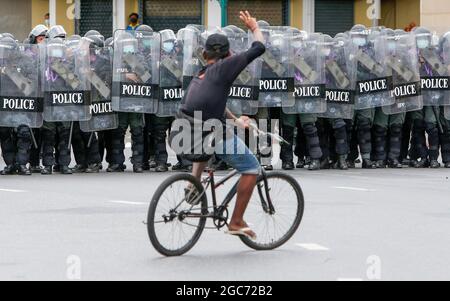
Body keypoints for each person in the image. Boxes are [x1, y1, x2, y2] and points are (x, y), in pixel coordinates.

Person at [177, 11, 265, 239]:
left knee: (208, 134)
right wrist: (254, 28)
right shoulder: (224, 67)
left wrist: (235, 120)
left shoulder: (202, 73)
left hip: (186, 131)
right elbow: (258, 49)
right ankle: (236, 221)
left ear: (205, 53)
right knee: (251, 167)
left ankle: (193, 184)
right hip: (208, 132)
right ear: (228, 54)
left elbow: (213, 105)